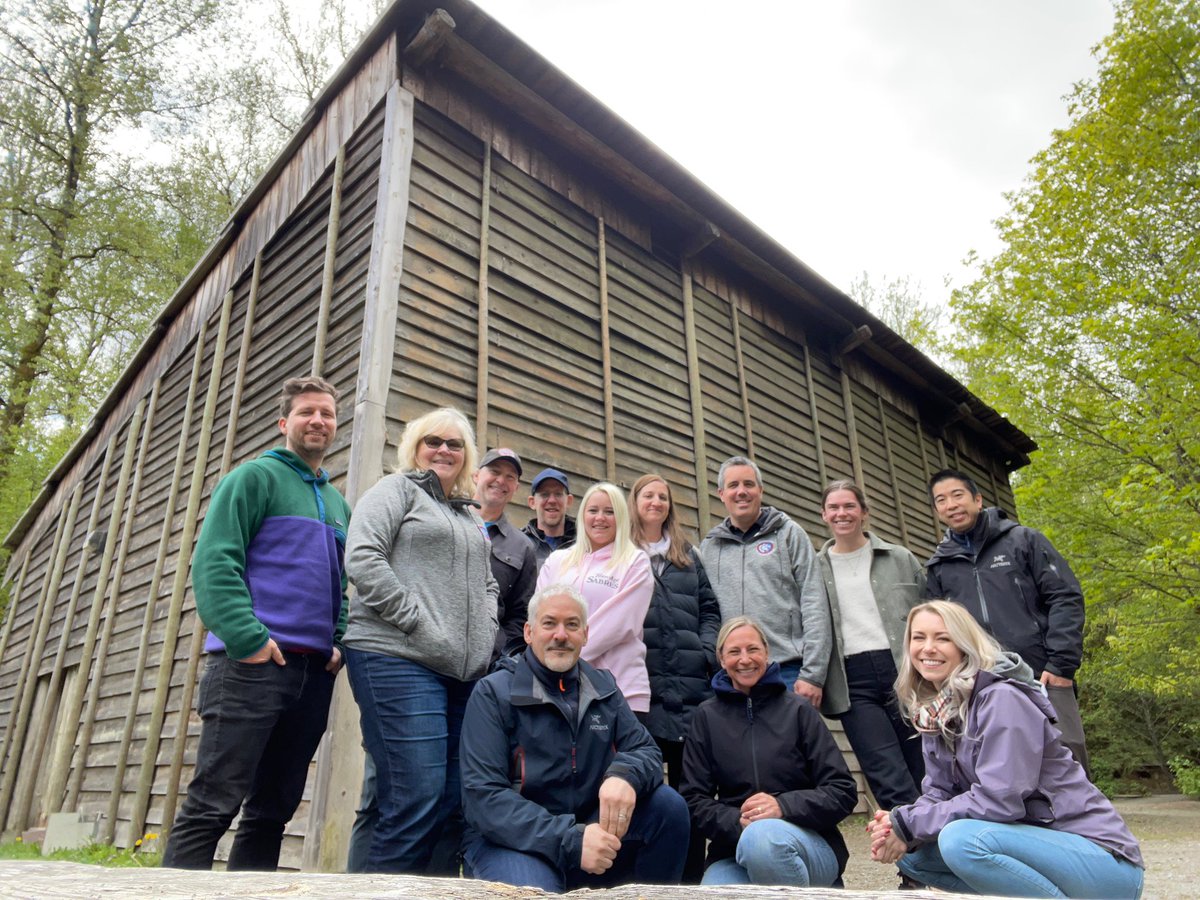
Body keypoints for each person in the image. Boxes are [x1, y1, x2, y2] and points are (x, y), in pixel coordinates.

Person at [162, 376, 351, 870]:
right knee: (211, 804)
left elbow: (343, 582)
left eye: (327, 414)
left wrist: (337, 644)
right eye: (308, 412)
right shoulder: (252, 479)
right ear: (284, 422)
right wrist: (249, 639)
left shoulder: (338, 505)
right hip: (251, 666)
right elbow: (214, 564)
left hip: (312, 674)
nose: (318, 421)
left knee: (271, 813)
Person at [868, 601, 1144, 898]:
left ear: (964, 645)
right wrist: (897, 827)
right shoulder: (937, 711)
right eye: (918, 637)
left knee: (961, 841)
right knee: (913, 855)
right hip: (1032, 849)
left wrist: (909, 823)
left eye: (943, 638)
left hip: (1102, 861)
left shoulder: (1002, 698)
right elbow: (938, 793)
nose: (928, 648)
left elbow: (1000, 800)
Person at [344, 445, 535, 872]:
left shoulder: (468, 516)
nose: (444, 449)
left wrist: (486, 633)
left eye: (455, 443)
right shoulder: (394, 490)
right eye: (434, 440)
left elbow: (491, 587)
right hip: (398, 658)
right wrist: (412, 620)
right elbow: (363, 557)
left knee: (447, 797)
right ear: (414, 446)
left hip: (461, 672)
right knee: (412, 795)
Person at [460, 584, 689, 892]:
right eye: (549, 623)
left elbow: (645, 749)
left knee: (668, 807)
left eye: (572, 625)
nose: (560, 635)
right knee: (535, 894)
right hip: (513, 842)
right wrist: (570, 839)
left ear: (585, 634)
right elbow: (483, 798)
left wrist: (624, 776)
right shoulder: (494, 693)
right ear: (529, 632)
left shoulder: (603, 687)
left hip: (589, 831)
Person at [924, 468, 1090, 769]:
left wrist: (1062, 663)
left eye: (957, 495)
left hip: (1043, 672)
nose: (951, 504)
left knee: (1066, 756)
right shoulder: (939, 567)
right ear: (937, 511)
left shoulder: (1023, 541)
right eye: (942, 500)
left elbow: (1064, 597)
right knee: (1001, 765)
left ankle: (1084, 817)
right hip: (980, 680)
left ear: (977, 499)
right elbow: (939, 629)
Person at [680, 616, 858, 887]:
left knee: (763, 839)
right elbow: (693, 799)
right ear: (721, 658)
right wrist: (737, 821)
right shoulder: (706, 717)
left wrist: (782, 807)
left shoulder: (799, 711)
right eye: (734, 652)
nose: (745, 659)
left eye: (753, 649)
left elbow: (842, 790)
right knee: (715, 890)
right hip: (734, 850)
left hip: (810, 845)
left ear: (766, 652)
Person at [628, 473, 720, 882]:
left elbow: (710, 609)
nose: (656, 502)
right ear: (635, 502)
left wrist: (704, 651)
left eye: (662, 497)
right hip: (643, 693)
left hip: (690, 691)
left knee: (692, 793)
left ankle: (691, 880)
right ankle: (647, 880)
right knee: (645, 789)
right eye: (648, 495)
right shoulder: (622, 554)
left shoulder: (688, 555)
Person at [816, 479, 925, 809]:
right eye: (833, 507)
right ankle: (914, 857)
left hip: (904, 670)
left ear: (864, 512)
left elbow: (932, 611)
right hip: (852, 681)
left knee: (924, 763)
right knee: (885, 772)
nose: (842, 513)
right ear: (824, 515)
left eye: (849, 506)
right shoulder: (814, 568)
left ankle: (945, 849)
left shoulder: (900, 558)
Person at [700, 456, 833, 706]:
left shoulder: (789, 533)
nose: (741, 492)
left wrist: (813, 674)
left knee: (793, 746)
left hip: (787, 670)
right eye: (733, 485)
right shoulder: (710, 546)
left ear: (760, 490)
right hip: (731, 675)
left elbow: (814, 602)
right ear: (721, 493)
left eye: (749, 484)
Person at [536, 482, 654, 715]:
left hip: (619, 689)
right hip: (558, 689)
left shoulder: (635, 561)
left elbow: (620, 623)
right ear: (582, 516)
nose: (600, 518)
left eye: (609, 512)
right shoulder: (557, 560)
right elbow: (539, 616)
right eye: (593, 510)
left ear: (620, 517)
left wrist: (564, 656)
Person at [523, 468, 577, 566]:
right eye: (544, 495)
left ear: (569, 501)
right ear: (532, 502)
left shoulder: (583, 544)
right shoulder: (520, 543)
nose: (552, 500)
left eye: (558, 494)